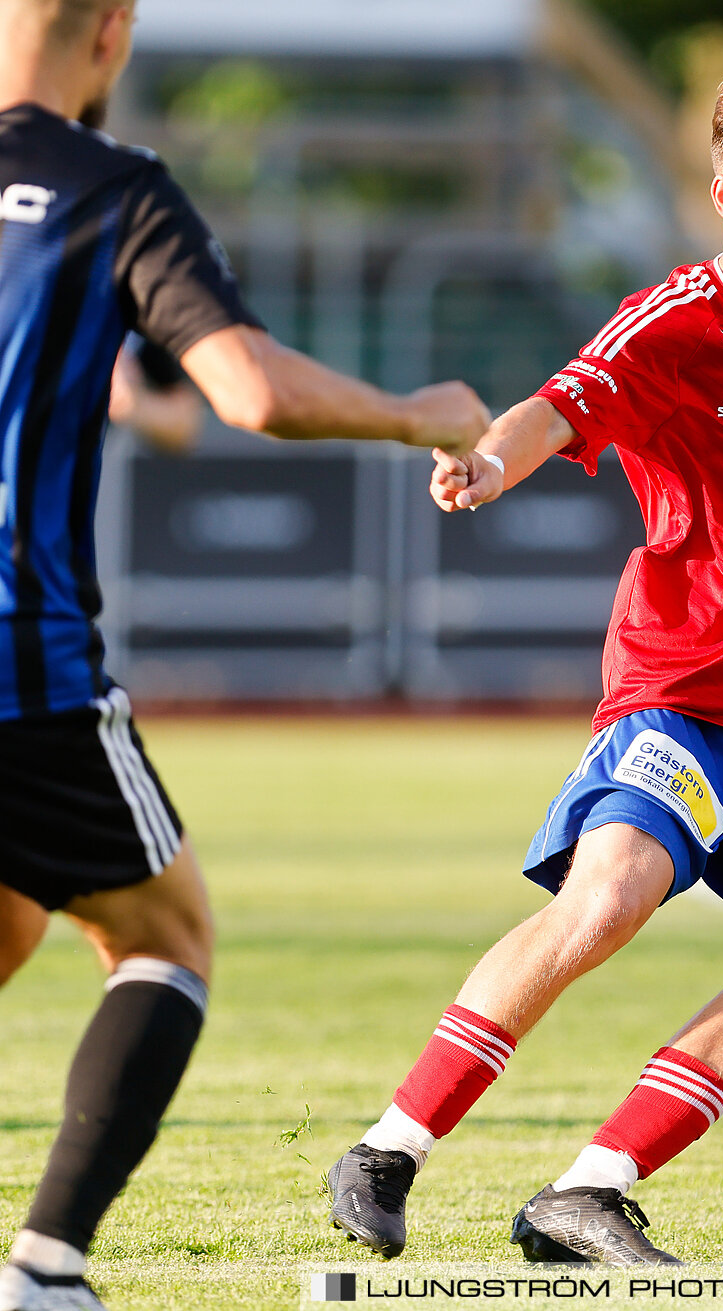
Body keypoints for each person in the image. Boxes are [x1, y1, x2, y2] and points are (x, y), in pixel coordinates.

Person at [326, 48, 723, 1268]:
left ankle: (588, 1191)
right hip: (684, 695)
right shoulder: (680, 323)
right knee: (609, 900)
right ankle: (391, 1146)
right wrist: (488, 461)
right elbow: (561, 404)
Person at [0, 2, 490, 1308]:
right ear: (111, 30)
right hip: (20, 664)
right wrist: (417, 414)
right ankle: (45, 1266)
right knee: (166, 936)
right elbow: (252, 392)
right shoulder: (113, 189)